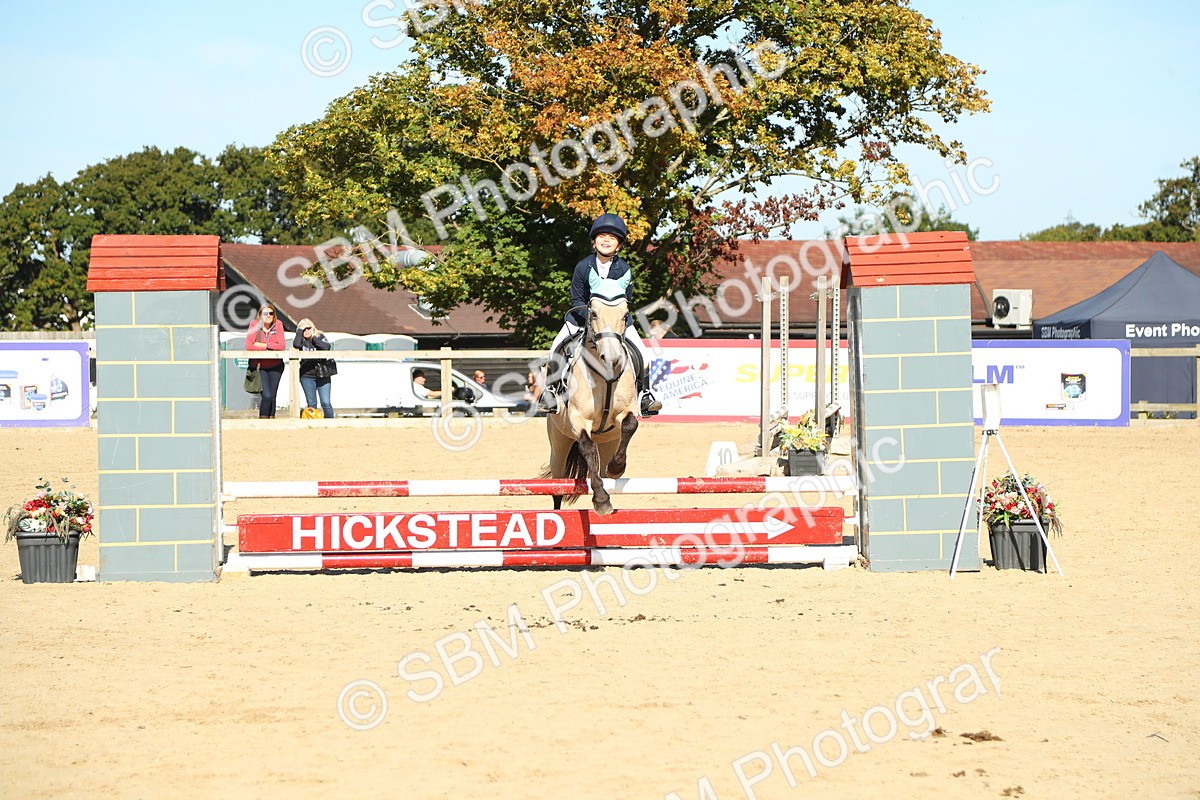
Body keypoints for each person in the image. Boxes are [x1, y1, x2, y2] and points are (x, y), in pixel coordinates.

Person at [538, 213, 662, 416]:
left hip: (615, 322)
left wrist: (613, 319)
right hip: (581, 319)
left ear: (619, 245)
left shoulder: (624, 269)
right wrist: (591, 319)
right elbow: (576, 299)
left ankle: (645, 395)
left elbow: (626, 301)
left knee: (643, 354)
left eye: (612, 238)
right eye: (602, 236)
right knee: (555, 348)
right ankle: (550, 392)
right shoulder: (583, 267)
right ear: (594, 241)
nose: (606, 240)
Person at [245, 305, 286, 418]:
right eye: (265, 313)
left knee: (273, 395)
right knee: (266, 395)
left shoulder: (278, 324)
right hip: (259, 366)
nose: (268, 316)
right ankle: (263, 418)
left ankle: (271, 419)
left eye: (271, 313)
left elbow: (281, 345)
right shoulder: (254, 324)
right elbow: (249, 345)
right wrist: (270, 347)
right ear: (260, 315)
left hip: (276, 365)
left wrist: (264, 345)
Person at [293, 318, 335, 418]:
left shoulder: (320, 336)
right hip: (307, 375)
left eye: (308, 328)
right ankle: (313, 426)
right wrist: (299, 332)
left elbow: (326, 347)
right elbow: (296, 345)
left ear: (313, 328)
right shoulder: (301, 340)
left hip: (323, 373)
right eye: (303, 329)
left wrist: (313, 337)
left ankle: (331, 425)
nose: (306, 331)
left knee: (326, 403)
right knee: (311, 403)